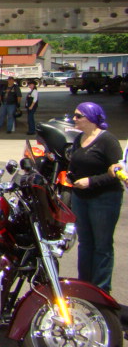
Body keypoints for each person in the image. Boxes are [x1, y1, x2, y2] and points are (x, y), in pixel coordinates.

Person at [68, 102, 123, 293]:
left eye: (78, 116)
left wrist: (91, 181)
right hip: (81, 198)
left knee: (102, 245)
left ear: (91, 118)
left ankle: (101, 289)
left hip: (104, 199)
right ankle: (85, 285)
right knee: (85, 243)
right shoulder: (79, 139)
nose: (74, 119)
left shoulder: (107, 141)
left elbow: (118, 172)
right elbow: (75, 163)